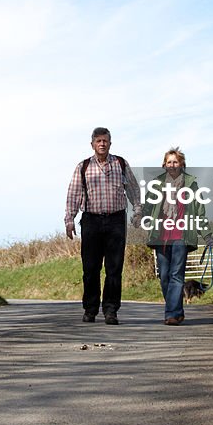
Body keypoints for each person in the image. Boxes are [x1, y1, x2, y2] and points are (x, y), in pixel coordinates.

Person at [64, 127, 140, 325]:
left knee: (114, 269)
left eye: (105, 141)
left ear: (110, 143)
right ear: (92, 144)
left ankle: (110, 310)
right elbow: (73, 194)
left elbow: (133, 189)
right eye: (98, 141)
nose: (102, 144)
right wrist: (69, 220)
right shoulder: (83, 167)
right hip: (91, 221)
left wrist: (138, 210)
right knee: (90, 268)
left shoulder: (120, 164)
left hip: (116, 221)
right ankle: (90, 309)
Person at [139, 147, 212, 325]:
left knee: (176, 275)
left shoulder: (191, 184)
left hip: (181, 235)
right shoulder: (157, 184)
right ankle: (177, 310)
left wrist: (207, 234)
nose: (172, 165)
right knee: (164, 276)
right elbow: (148, 207)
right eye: (169, 162)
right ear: (164, 165)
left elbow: (199, 212)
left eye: (175, 162)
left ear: (181, 164)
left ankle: (171, 314)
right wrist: (139, 216)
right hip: (161, 235)